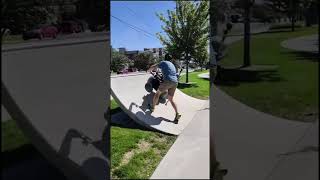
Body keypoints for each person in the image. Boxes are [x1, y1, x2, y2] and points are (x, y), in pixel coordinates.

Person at [147, 54, 181, 124]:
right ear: (171, 59)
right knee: (171, 99)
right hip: (175, 82)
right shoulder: (172, 65)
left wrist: (149, 70)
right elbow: (176, 74)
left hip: (168, 81)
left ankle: (152, 108)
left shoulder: (163, 62)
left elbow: (154, 67)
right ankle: (177, 114)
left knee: (157, 93)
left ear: (165, 58)